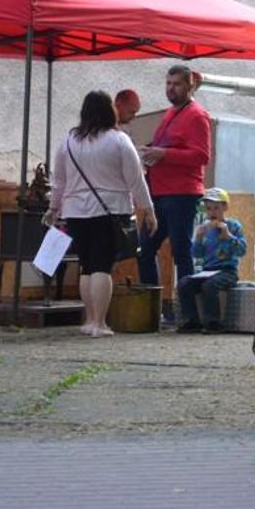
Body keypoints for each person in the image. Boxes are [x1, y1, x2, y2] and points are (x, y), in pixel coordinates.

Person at [45, 90, 156, 338]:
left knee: (86, 266)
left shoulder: (68, 141)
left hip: (74, 213)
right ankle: (100, 323)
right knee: (102, 267)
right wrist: (148, 209)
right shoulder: (119, 140)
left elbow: (59, 181)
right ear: (110, 111)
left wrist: (54, 208)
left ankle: (88, 319)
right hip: (109, 211)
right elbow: (136, 180)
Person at [137, 64, 212, 309]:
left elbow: (201, 156)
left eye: (176, 84)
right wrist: (151, 151)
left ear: (189, 86)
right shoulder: (171, 113)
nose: (171, 88)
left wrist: (164, 154)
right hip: (159, 191)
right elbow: (169, 147)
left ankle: (188, 312)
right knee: (145, 249)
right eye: (168, 83)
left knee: (181, 252)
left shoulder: (197, 115)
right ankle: (154, 308)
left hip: (181, 193)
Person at [176, 187, 247, 333]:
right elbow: (197, 254)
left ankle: (213, 322)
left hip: (227, 271)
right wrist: (199, 238)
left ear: (225, 207)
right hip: (207, 271)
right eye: (209, 209)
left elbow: (242, 250)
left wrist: (229, 237)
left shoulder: (233, 226)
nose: (212, 212)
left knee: (210, 285)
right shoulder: (204, 229)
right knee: (184, 283)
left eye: (216, 208)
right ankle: (192, 321)